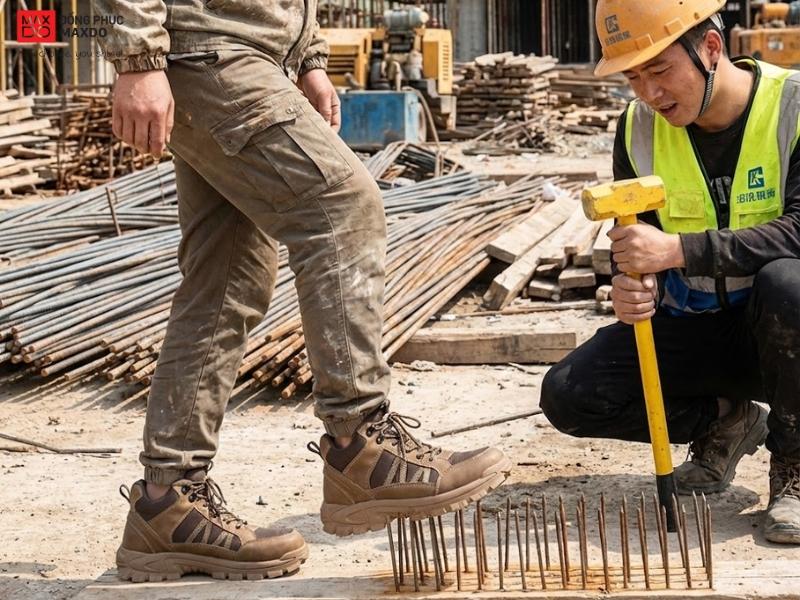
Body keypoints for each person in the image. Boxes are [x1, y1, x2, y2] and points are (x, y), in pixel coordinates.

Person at [97, 0, 511, 581]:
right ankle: (360, 444)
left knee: (228, 275)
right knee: (342, 209)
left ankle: (168, 504)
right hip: (210, 51)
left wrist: (307, 57)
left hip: (243, 52)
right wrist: (137, 57)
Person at [540, 0, 800, 545]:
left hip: (788, 335)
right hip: (702, 330)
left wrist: (678, 250)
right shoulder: (638, 129)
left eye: (660, 70)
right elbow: (638, 242)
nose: (650, 94)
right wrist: (634, 285)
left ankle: (794, 466)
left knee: (788, 284)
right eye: (633, 78)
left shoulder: (793, 107)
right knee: (570, 392)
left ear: (711, 48)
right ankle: (725, 421)